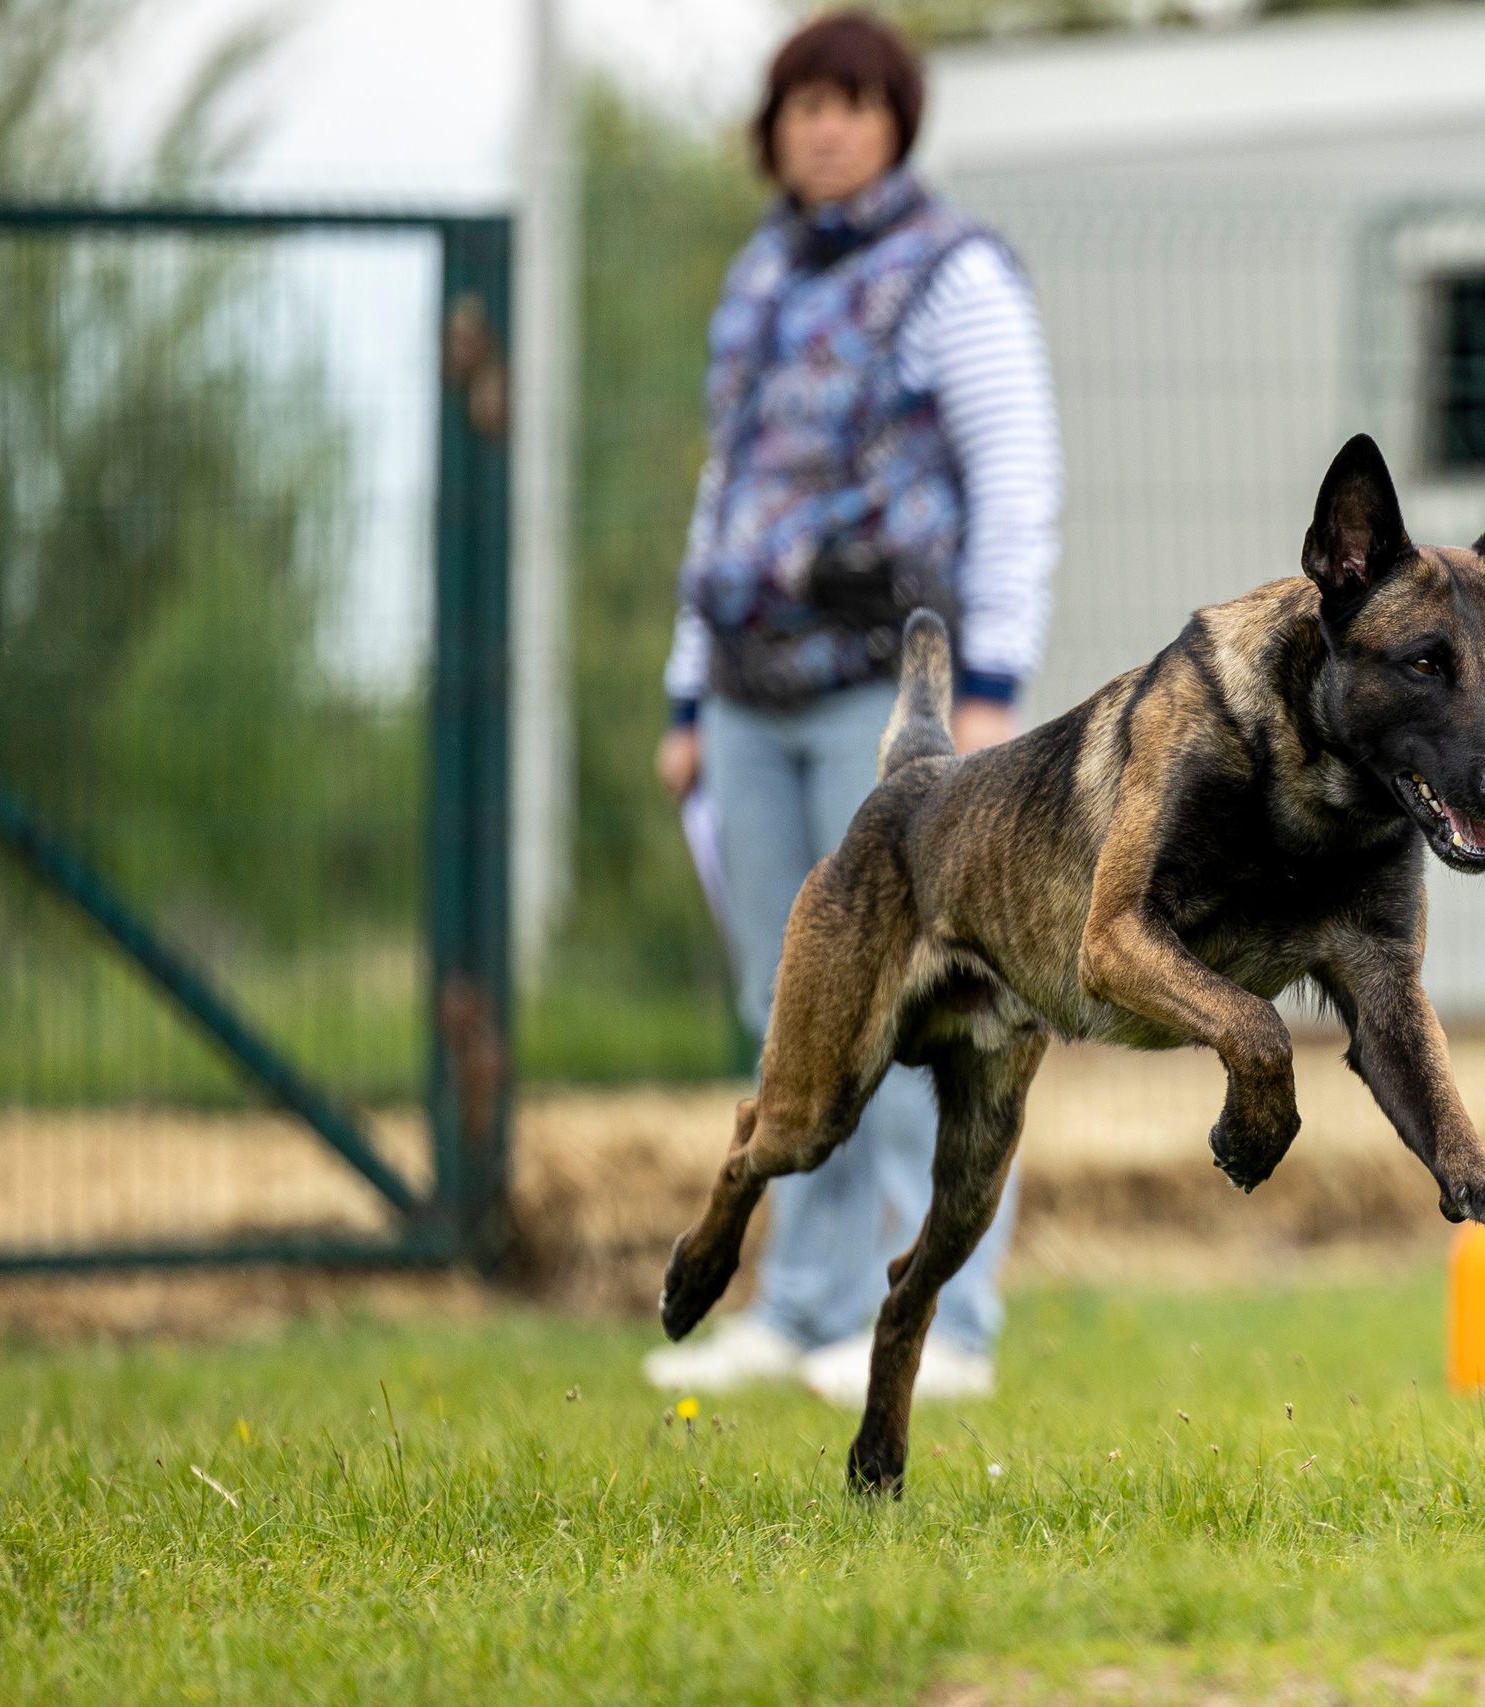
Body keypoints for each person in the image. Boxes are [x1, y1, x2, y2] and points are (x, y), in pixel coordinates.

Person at [640, 10, 1060, 1404]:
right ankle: (805, 1303)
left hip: (903, 708)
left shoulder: (955, 275)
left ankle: (953, 1323)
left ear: (895, 122)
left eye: (852, 104)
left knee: (935, 1011)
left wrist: (992, 691)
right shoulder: (759, 272)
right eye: (802, 104)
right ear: (774, 129)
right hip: (750, 697)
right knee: (797, 1012)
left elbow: (1017, 480)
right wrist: (687, 693)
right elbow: (729, 489)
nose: (825, 126)